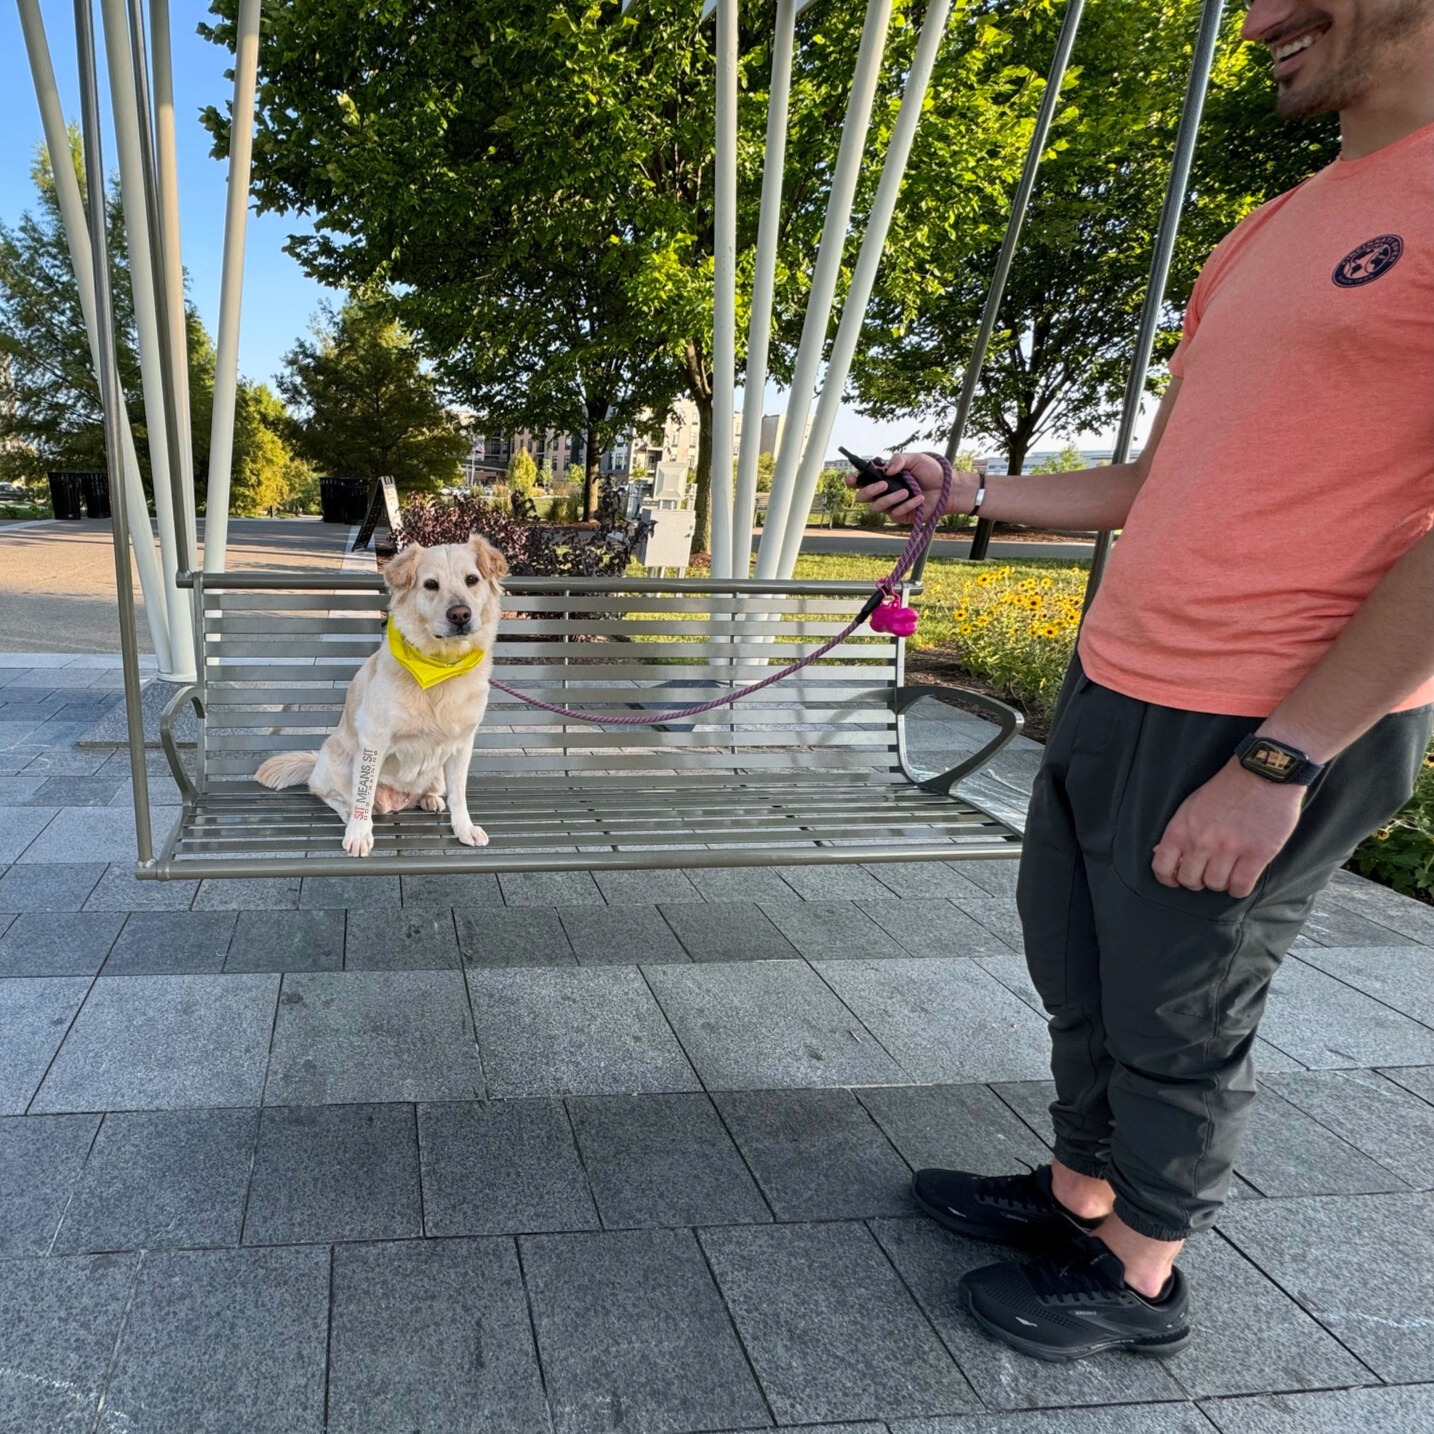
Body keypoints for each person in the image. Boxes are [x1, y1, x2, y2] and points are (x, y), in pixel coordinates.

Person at [849, 0, 1434, 1362]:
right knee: (1082, 971)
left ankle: (1140, 1272)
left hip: (1268, 710)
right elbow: (1167, 474)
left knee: (1180, 1006)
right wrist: (975, 486)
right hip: (1121, 677)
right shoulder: (1271, 227)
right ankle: (1077, 1197)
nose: (1262, 18)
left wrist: (1281, 758)